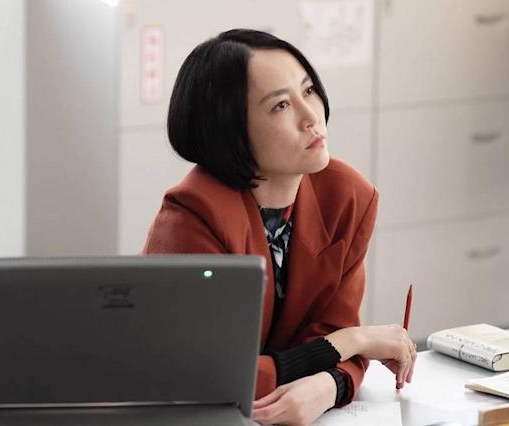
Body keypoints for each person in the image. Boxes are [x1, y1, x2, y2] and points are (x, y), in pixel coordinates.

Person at [143, 28, 417, 426]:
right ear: (230, 130)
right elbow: (204, 375)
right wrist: (350, 341)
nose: (311, 117)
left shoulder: (348, 196)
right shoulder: (194, 215)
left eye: (309, 91)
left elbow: (339, 338)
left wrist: (329, 385)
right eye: (281, 105)